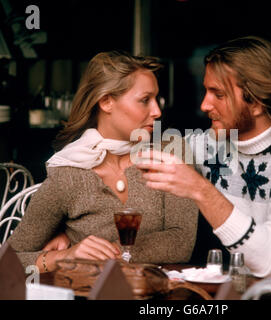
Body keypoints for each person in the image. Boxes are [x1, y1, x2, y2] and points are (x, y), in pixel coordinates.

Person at [137, 36, 271, 286]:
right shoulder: (212, 145)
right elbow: (133, 150)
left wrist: (200, 189)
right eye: (206, 90)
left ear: (256, 102)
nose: (204, 104)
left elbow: (269, 259)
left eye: (218, 94)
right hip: (242, 293)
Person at [8, 51, 198, 272]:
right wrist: (65, 256)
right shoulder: (67, 173)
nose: (157, 111)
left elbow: (180, 241)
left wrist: (108, 253)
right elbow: (9, 260)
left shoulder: (171, 152)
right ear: (106, 102)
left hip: (160, 297)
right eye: (145, 100)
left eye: (157, 99)